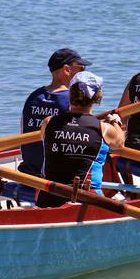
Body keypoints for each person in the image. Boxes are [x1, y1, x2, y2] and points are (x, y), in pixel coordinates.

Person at [36, 71, 125, 208]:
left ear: (70, 94)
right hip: (88, 200)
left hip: (48, 199)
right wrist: (115, 121)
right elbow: (120, 143)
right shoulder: (104, 129)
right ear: (97, 97)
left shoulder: (48, 123)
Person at [20, 48, 92, 176]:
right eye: (81, 70)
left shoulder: (33, 96)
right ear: (67, 70)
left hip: (30, 168)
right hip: (55, 172)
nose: (83, 75)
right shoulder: (73, 99)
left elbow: (23, 130)